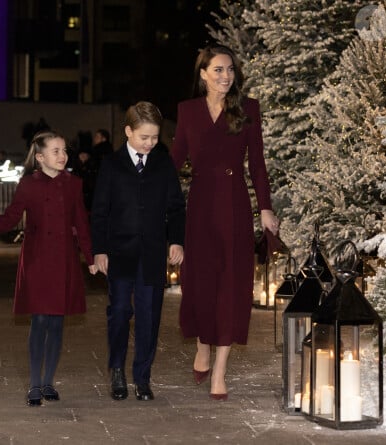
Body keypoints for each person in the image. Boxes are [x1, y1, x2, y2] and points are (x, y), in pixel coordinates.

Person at [170, 44, 279, 400]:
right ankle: (203, 343)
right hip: (200, 206)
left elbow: (258, 164)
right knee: (200, 283)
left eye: (230, 69)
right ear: (203, 74)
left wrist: (264, 208)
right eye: (217, 70)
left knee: (231, 285)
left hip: (233, 204)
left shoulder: (248, 109)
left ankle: (220, 371)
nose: (225, 76)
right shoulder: (187, 111)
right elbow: (174, 162)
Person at [0, 130, 97, 406]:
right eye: (56, 151)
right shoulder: (28, 184)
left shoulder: (73, 184)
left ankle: (49, 382)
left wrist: (91, 257)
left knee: (57, 323)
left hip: (64, 261)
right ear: (40, 157)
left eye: (64, 151)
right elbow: (12, 217)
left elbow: (82, 222)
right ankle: (35, 384)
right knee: (40, 322)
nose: (63, 155)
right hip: (37, 260)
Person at [91, 101, 186, 402]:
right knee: (119, 312)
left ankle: (142, 377)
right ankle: (117, 370)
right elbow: (100, 212)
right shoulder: (111, 165)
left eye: (155, 138)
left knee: (149, 316)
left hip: (152, 253)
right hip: (119, 252)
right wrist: (99, 250)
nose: (150, 143)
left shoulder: (163, 163)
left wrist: (176, 240)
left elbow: (176, 208)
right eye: (144, 137)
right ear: (128, 132)